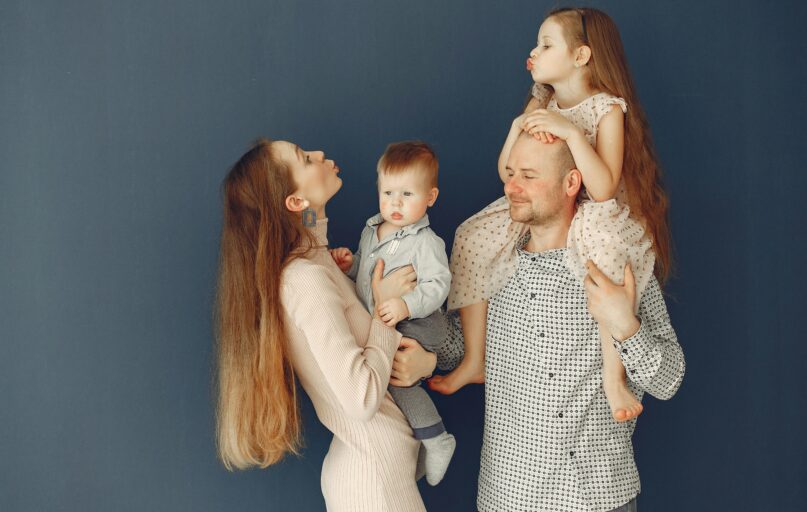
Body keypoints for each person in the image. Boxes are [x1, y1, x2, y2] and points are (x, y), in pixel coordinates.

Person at [407, 134, 685, 511]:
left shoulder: (614, 261)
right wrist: (424, 349)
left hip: (597, 495)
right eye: (510, 174)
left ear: (571, 183)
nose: (512, 187)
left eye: (529, 176)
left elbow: (669, 380)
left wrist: (625, 325)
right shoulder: (488, 265)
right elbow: (460, 351)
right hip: (508, 495)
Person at [430, 7, 671, 426]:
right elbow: (509, 171)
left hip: (594, 209)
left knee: (607, 259)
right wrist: (517, 126)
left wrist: (571, 132)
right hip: (548, 206)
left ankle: (615, 377)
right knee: (471, 237)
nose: (533, 51)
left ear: (581, 56)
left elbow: (603, 188)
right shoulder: (542, 98)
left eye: (546, 44)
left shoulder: (606, 108)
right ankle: (474, 357)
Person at [214, 139, 435, 511]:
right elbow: (361, 398)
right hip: (373, 485)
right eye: (305, 159)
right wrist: (384, 312)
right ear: (296, 202)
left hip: (379, 475)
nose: (319, 155)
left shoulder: (319, 264)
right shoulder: (305, 278)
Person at [329, 141, 456, 486]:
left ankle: (436, 438)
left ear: (430, 197)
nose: (395, 204)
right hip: (391, 319)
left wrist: (406, 305)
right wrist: (350, 264)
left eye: (407, 194)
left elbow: (439, 283)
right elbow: (370, 278)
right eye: (387, 193)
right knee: (384, 378)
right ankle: (417, 445)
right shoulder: (372, 230)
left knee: (393, 377)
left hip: (420, 321)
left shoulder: (426, 241)